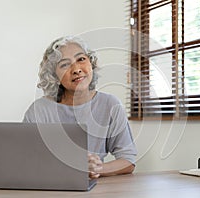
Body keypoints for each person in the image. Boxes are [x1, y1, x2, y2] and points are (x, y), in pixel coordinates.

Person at [23, 36, 137, 179]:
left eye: (81, 59)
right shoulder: (39, 109)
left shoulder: (110, 105)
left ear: (91, 64)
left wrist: (98, 169)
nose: (76, 69)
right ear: (54, 76)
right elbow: (26, 160)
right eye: (64, 65)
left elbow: (128, 160)